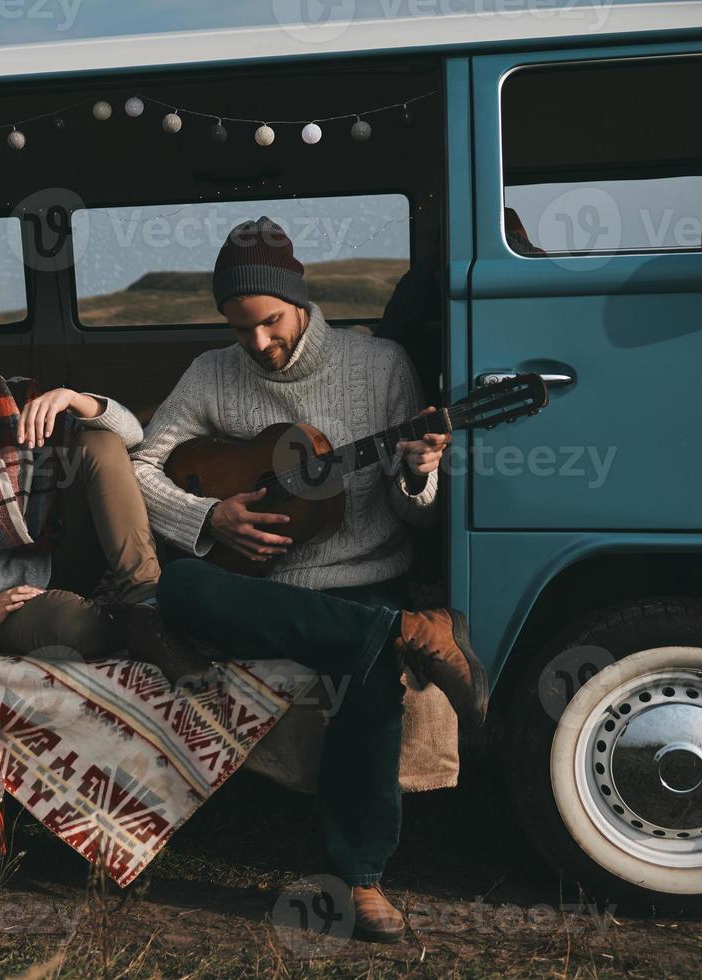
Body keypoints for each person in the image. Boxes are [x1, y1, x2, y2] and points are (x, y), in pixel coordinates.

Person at [129, 218, 488, 943]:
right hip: (262, 592)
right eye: (239, 331)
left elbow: (414, 520)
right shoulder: (210, 374)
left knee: (366, 670)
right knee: (178, 589)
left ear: (301, 301)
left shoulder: (380, 367)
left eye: (269, 324)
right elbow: (142, 467)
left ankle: (359, 880)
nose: (258, 345)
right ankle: (412, 636)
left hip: (361, 582)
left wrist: (418, 472)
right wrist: (210, 515)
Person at [0, 276, 182, 664]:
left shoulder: (10, 399)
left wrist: (75, 399)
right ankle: (125, 624)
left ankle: (148, 604)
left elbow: (131, 435)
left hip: (44, 559)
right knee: (79, 630)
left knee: (99, 442)